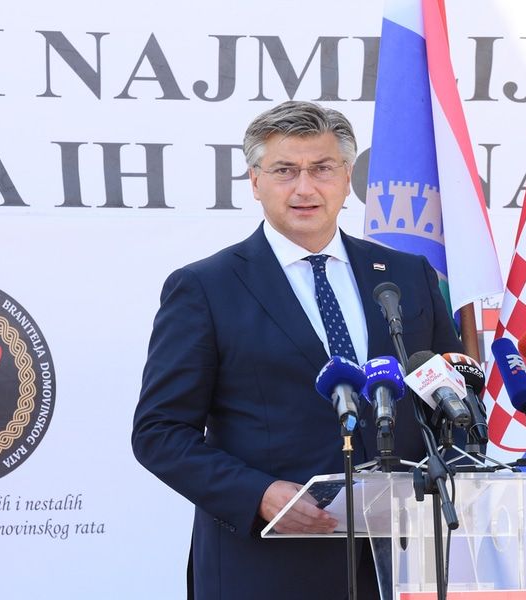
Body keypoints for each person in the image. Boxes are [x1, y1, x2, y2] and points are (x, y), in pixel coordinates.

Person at [131, 100, 463, 600]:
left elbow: (450, 396)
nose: (305, 188)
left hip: (405, 562)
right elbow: (160, 433)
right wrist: (259, 495)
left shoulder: (407, 275)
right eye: (285, 170)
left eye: (322, 168)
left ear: (347, 177)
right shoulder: (205, 288)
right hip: (270, 566)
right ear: (255, 180)